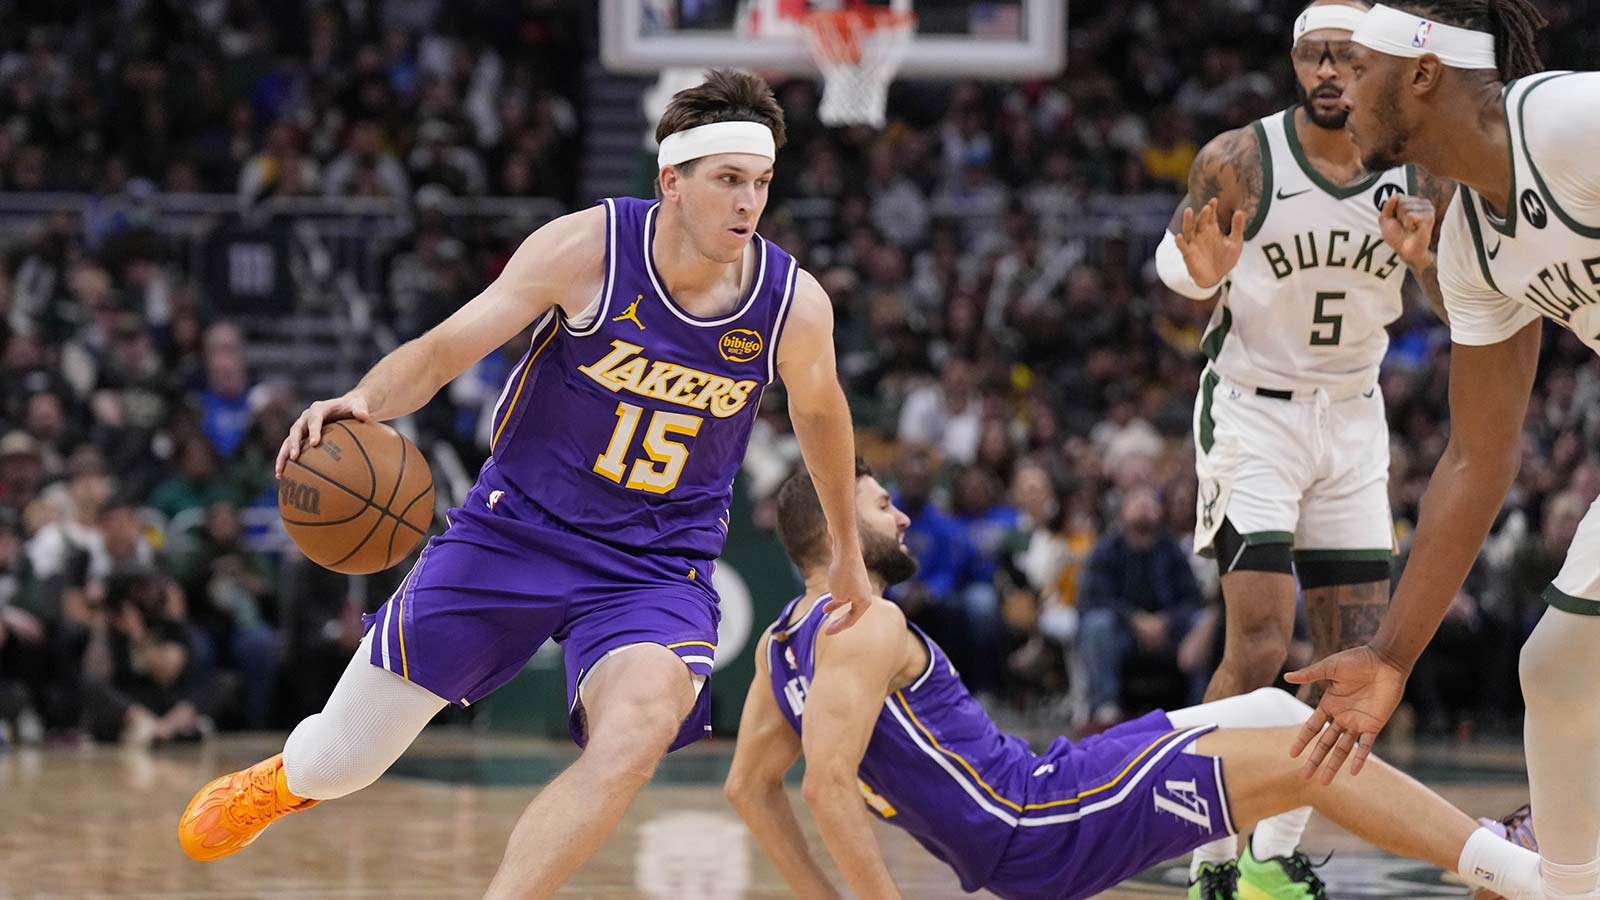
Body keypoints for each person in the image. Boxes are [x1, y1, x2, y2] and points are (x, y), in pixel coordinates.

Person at [176, 68, 873, 898]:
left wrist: (849, 554)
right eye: (728, 180)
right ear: (672, 182)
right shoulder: (586, 250)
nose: (747, 202)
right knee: (341, 761)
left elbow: (822, 419)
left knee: (639, 729)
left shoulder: (790, 304)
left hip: (654, 566)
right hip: (516, 531)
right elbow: (445, 349)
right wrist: (364, 397)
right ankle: (286, 780)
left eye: (760, 184)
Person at [725, 464, 1544, 900]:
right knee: (1308, 752)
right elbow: (827, 787)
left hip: (1043, 786)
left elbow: (748, 790)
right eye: (879, 505)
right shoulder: (867, 624)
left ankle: (1244, 876)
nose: (901, 516)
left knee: (1269, 707)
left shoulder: (778, 645)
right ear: (837, 527)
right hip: (1039, 823)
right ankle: (1519, 874)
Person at [1279, 4, 1600, 900]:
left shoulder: (1569, 121)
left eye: (1362, 68)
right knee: (1559, 664)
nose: (1339, 88)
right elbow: (1475, 459)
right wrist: (1389, 656)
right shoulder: (1469, 246)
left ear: (1423, 73)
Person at [1154, 0, 1452, 884]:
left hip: (1355, 419)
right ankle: (1206, 854)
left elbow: (1459, 309)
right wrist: (1195, 274)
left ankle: (1271, 862)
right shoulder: (1241, 157)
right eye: (1314, 57)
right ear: (1294, 63)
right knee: (1257, 642)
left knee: (1351, 662)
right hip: (1254, 410)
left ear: (1376, 69)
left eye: (1347, 59)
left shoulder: (1420, 169)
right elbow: (1176, 265)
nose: (1329, 72)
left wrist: (1431, 266)